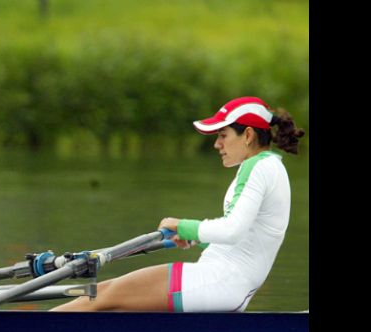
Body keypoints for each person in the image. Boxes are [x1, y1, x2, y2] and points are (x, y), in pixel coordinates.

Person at [52, 96, 304, 313]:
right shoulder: (271, 168)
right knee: (103, 298)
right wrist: (196, 239)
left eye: (223, 135)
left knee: (100, 294)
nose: (217, 144)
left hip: (218, 281)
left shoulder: (257, 168)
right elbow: (247, 237)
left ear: (247, 135)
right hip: (224, 284)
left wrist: (183, 225)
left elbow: (232, 230)